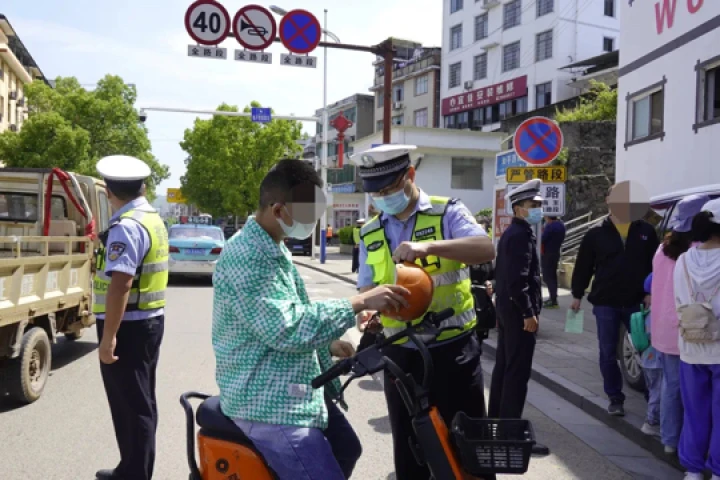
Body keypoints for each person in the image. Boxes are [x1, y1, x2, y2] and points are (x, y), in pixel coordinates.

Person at [212, 159, 411, 480]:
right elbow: (286, 327)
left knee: (347, 447)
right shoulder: (247, 256)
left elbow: (282, 313)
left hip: (290, 384)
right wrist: (360, 301)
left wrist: (327, 344)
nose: (313, 223)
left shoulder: (272, 246)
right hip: (266, 401)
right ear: (279, 210)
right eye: (308, 215)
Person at [351, 144, 495, 480]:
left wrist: (428, 247)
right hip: (399, 354)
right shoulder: (370, 231)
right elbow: (366, 288)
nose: (382, 198)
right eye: (376, 193)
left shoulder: (447, 212)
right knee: (409, 451)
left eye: (389, 189)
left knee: (469, 450)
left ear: (410, 176)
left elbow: (485, 248)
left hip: (452, 350)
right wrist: (366, 312)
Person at [93, 156, 170, 480]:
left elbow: (121, 284)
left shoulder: (126, 226)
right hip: (147, 322)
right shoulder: (151, 218)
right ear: (144, 187)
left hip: (128, 326)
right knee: (140, 401)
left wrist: (108, 337)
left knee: (131, 405)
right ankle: (131, 468)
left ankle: (135, 474)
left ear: (108, 191)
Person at [571, 184, 659, 417]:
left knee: (645, 349)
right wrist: (577, 295)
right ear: (608, 201)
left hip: (637, 302)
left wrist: (651, 292)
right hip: (606, 302)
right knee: (608, 352)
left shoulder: (645, 230)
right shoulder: (596, 233)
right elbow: (583, 266)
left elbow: (656, 265)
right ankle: (615, 398)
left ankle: (652, 397)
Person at [488, 179, 548, 456]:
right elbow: (518, 280)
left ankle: (496, 425)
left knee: (504, 367)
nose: (537, 208)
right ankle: (511, 435)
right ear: (518, 208)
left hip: (507, 310)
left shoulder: (514, 233)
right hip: (517, 313)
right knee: (516, 373)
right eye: (532, 204)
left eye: (538, 204)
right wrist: (528, 312)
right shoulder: (521, 235)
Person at [649, 194, 708, 454]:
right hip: (688, 327)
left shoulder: (662, 249)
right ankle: (683, 441)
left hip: (662, 326)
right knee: (691, 389)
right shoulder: (697, 251)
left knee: (670, 384)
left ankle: (669, 439)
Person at [673, 199, 720, 480]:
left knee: (694, 412)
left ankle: (692, 469)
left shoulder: (683, 260)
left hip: (690, 346)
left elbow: (677, 299)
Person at [640, 273, 663, 439]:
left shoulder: (649, 311)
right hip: (655, 359)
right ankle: (651, 422)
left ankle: (653, 419)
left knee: (654, 389)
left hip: (648, 359)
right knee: (658, 391)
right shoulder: (657, 312)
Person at [541, 216, 566, 309]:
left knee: (548, 277)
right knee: (552, 276)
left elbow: (542, 238)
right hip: (555, 252)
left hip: (548, 254)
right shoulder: (561, 225)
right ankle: (553, 298)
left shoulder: (550, 226)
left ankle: (553, 300)